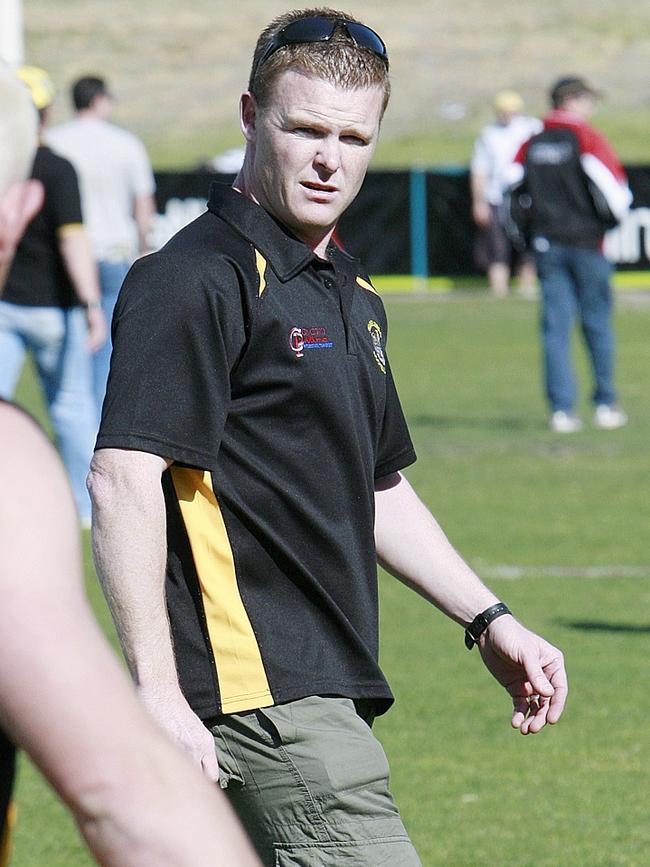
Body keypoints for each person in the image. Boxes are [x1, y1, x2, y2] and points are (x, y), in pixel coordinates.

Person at [88, 10, 568, 866]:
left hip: (326, 690)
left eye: (353, 136)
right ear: (249, 116)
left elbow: (378, 486)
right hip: (262, 699)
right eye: (304, 127)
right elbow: (124, 476)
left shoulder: (347, 288)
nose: (328, 158)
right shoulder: (195, 278)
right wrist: (157, 691)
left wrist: (489, 618)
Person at [0, 65, 260, 867]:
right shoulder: (5, 469)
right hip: (88, 279)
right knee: (77, 411)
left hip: (34, 308)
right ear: (18, 204)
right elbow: (126, 797)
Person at [0, 66, 105, 525]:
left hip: (5, 309)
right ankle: (85, 511)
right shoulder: (56, 168)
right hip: (52, 311)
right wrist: (91, 304)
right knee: (71, 409)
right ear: (44, 112)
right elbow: (73, 241)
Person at [511, 76, 632, 433]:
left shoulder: (531, 143)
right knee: (596, 324)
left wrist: (526, 239)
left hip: (548, 245)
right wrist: (607, 225)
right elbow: (616, 192)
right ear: (573, 100)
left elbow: (509, 192)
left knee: (555, 329)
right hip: (586, 245)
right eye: (588, 100)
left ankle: (562, 411)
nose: (591, 107)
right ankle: (605, 404)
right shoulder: (587, 138)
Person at [47, 75, 156, 418]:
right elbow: (143, 205)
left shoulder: (54, 142)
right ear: (99, 100)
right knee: (107, 355)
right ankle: (97, 429)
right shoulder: (125, 144)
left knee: (67, 354)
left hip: (63, 257)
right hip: (112, 255)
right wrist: (144, 246)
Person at [470, 89, 542, 296]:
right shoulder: (489, 135)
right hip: (496, 197)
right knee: (497, 247)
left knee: (528, 245)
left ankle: (526, 287)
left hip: (525, 198)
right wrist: (479, 201)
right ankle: (498, 290)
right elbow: (480, 170)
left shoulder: (532, 128)